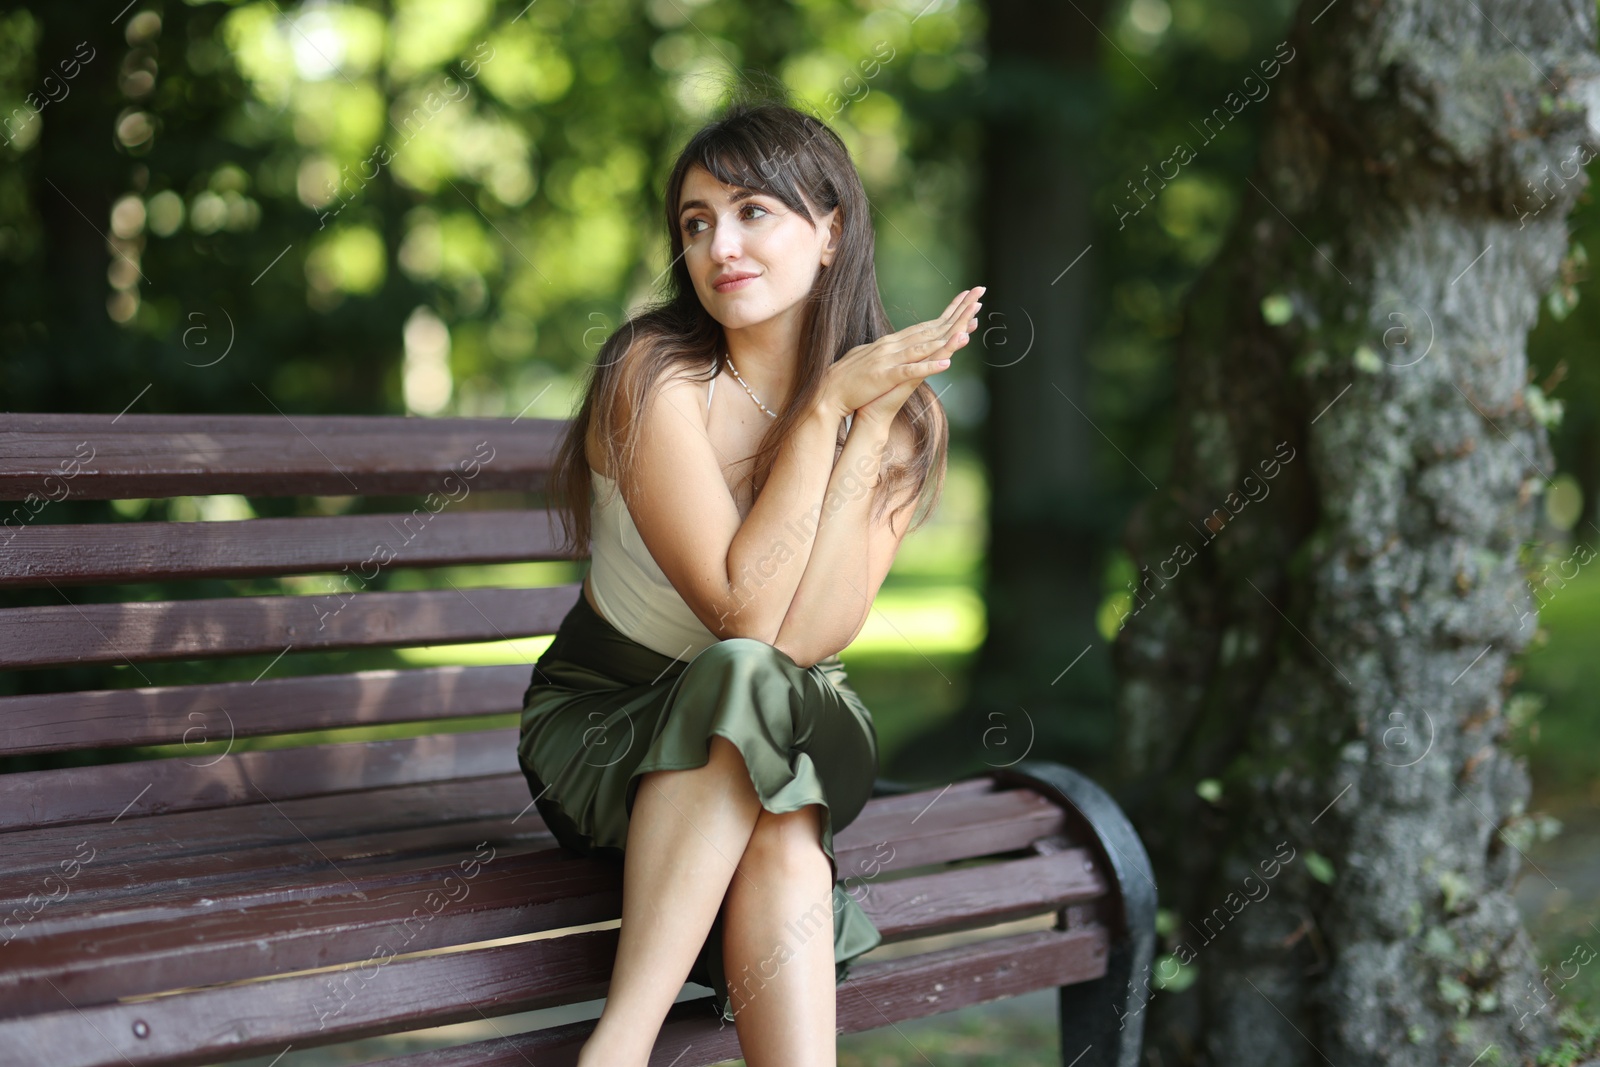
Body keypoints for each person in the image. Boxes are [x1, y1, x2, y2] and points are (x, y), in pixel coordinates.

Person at [517, 92, 984, 1067]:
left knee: (756, 709)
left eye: (751, 211)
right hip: (608, 727)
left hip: (789, 707)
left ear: (830, 231)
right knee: (778, 820)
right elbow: (743, 617)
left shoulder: (904, 419)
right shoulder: (654, 377)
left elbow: (803, 643)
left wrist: (857, 432)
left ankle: (612, 1051)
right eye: (696, 222)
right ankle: (623, 1043)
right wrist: (823, 415)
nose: (718, 243)